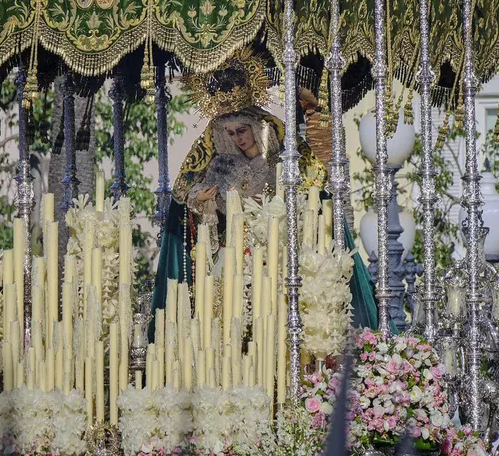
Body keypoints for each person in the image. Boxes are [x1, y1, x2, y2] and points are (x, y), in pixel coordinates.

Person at [151, 48, 378, 336]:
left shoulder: (282, 163)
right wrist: (201, 202)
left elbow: (309, 195)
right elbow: (190, 193)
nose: (238, 139)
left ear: (257, 128)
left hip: (274, 256)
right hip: (229, 255)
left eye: (242, 130)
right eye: (231, 133)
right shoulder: (221, 165)